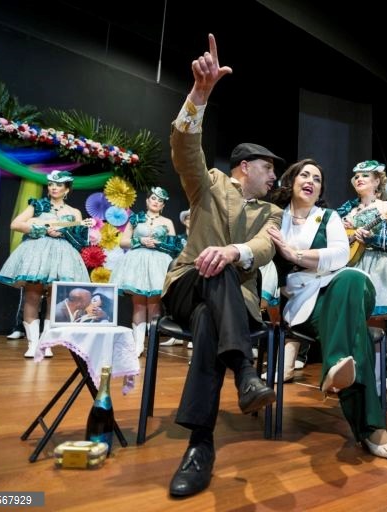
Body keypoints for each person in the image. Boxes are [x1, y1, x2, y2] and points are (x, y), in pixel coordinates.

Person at [161, 34, 282, 498]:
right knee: (214, 272)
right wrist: (200, 95)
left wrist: (233, 253)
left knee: (216, 307)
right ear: (244, 167)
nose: (275, 178)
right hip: (185, 284)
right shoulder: (209, 184)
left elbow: (265, 250)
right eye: (268, 169)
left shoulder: (272, 214)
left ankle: (200, 446)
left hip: (224, 304)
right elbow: (184, 148)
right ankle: (246, 372)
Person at [268, 158, 387, 461]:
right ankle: (372, 429)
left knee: (352, 277)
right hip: (301, 302)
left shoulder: (328, 217)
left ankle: (336, 367)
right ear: (290, 182)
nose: (311, 181)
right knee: (358, 337)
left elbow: (341, 255)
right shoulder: (274, 218)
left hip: (341, 290)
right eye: (304, 175)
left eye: (317, 178)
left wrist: (294, 254)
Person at [337, 160, 387, 391]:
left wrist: (371, 239)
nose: (359, 179)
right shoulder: (347, 211)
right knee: (356, 320)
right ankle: (359, 368)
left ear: (377, 182)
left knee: (381, 318)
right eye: (357, 176)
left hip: (379, 264)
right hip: (353, 264)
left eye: (366, 176)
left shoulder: (386, 207)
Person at [0, 170, 93, 358]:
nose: (54, 187)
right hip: (38, 254)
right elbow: (16, 224)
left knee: (54, 301)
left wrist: (64, 232)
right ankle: (32, 344)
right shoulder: (38, 205)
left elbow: (80, 239)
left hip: (63, 258)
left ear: (67, 189)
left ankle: (46, 343)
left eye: (59, 185)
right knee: (32, 296)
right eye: (51, 184)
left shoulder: (74, 212)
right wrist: (44, 229)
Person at [111, 187, 181, 356]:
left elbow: (174, 246)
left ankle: (153, 343)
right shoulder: (135, 219)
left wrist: (158, 244)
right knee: (139, 304)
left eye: (160, 200)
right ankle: (138, 345)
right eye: (153, 199)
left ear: (163, 205)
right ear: (147, 200)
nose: (156, 202)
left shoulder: (167, 222)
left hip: (158, 263)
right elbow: (123, 241)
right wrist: (140, 240)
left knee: (155, 304)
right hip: (137, 263)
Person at [161, 209, 193, 347]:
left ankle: (193, 334)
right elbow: (172, 254)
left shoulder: (202, 238)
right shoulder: (178, 239)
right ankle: (176, 334)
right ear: (185, 221)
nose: (191, 220)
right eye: (189, 218)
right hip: (177, 274)